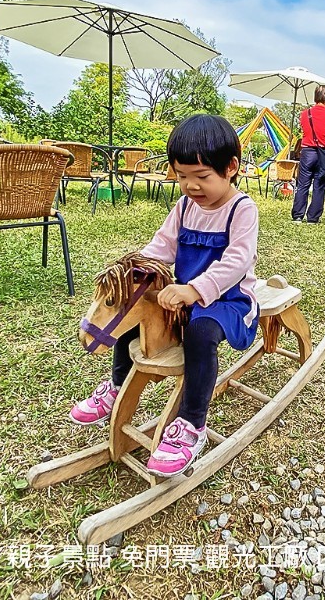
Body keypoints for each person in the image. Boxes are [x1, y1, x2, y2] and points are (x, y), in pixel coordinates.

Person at [69, 114, 259, 477]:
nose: (190, 186)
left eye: (201, 177)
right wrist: (137, 268)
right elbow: (163, 244)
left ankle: (191, 424)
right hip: (181, 295)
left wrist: (195, 289)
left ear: (231, 168)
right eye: (182, 176)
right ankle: (116, 385)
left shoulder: (241, 209)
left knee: (201, 335)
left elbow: (238, 260)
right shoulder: (184, 206)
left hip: (227, 300)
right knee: (133, 315)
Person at [291, 85, 325, 224]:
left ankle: (298, 215)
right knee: (320, 185)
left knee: (303, 184)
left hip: (307, 152)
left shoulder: (305, 114)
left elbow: (304, 131)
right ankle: (313, 217)